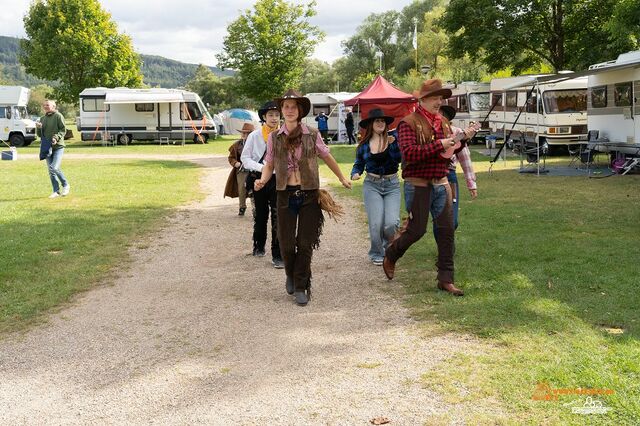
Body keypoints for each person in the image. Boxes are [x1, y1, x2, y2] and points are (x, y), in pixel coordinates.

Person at [255, 89, 351, 306]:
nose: (289, 110)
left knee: (305, 244)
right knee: (286, 243)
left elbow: (327, 156)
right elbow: (269, 164)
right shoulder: (274, 137)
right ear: (281, 111)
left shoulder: (312, 134)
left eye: (293, 107)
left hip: (309, 195)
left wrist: (342, 178)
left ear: (299, 111)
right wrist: (262, 180)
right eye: (285, 107)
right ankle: (290, 273)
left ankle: (301, 286)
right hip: (284, 195)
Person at [383, 79, 477, 296]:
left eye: (440, 98)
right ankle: (392, 253)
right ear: (423, 99)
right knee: (417, 231)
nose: (439, 101)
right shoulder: (408, 123)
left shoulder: (443, 122)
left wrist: (462, 140)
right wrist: (441, 144)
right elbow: (409, 153)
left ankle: (446, 279)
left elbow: (448, 152)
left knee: (446, 232)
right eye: (435, 97)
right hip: (418, 185)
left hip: (442, 183)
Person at [350, 108, 401, 266]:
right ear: (371, 124)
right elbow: (359, 164)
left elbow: (398, 159)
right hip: (372, 185)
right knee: (376, 223)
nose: (381, 123)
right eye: (377, 121)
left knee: (391, 223)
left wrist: (392, 146)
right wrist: (355, 173)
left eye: (383, 121)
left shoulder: (393, 139)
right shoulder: (364, 145)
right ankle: (376, 253)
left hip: (392, 184)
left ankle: (388, 249)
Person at [241, 101, 283, 268]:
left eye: (277, 115)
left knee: (278, 215)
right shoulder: (255, 135)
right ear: (264, 117)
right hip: (258, 178)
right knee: (260, 214)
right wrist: (264, 167)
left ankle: (278, 254)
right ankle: (258, 245)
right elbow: (245, 158)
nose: (274, 118)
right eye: (270, 115)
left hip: (279, 179)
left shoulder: (284, 134)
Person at [435, 105, 477, 234]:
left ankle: (447, 247)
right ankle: (445, 251)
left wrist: (472, 185)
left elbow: (465, 160)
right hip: (431, 176)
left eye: (443, 115)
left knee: (452, 221)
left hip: (450, 176)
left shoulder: (456, 132)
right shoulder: (428, 132)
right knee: (439, 218)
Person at [37, 100, 69, 199]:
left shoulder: (58, 116)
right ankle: (56, 191)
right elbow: (39, 135)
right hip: (47, 147)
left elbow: (63, 130)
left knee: (54, 168)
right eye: (44, 105)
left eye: (48, 105)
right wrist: (38, 128)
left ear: (53, 106)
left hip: (58, 146)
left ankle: (65, 185)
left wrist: (56, 138)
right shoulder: (42, 119)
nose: (45, 106)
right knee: (51, 170)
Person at [224, 122, 255, 216]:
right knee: (242, 189)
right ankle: (242, 207)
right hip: (242, 171)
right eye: (243, 132)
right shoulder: (237, 145)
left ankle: (255, 208)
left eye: (247, 133)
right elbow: (231, 158)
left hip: (254, 171)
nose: (244, 134)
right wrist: (236, 163)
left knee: (254, 190)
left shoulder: (257, 144)